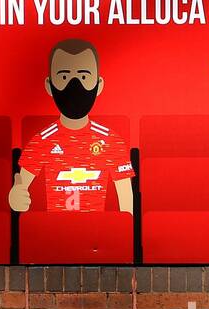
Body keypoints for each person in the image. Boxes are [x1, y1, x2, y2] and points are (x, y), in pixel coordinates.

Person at [9, 38, 135, 213]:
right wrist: (15, 198)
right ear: (49, 86)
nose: (74, 85)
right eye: (64, 77)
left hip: (99, 236)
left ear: (98, 86)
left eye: (84, 76)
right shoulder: (42, 141)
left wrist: (120, 235)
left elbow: (127, 207)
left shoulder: (112, 141)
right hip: (56, 235)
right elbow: (20, 190)